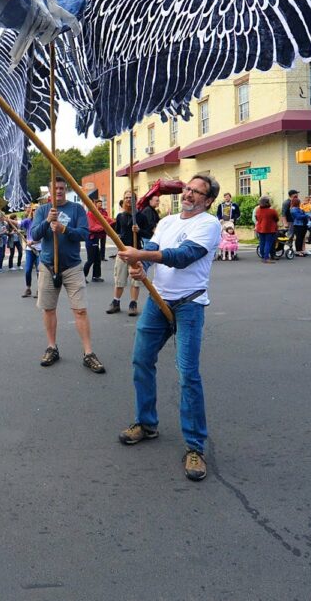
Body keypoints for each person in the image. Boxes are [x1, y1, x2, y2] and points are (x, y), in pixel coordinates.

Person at [115, 174, 221, 482]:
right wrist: (141, 267)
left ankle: (195, 447)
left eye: (197, 192)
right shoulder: (168, 221)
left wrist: (142, 256)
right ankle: (146, 423)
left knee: (188, 374)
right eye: (188, 188)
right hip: (157, 301)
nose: (188, 194)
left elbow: (183, 256)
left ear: (207, 200)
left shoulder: (208, 225)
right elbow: (153, 247)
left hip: (189, 305)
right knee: (141, 360)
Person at [32, 175, 105, 374]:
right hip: (48, 265)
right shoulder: (42, 210)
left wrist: (64, 229)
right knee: (48, 309)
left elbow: (83, 233)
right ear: (50, 191)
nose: (58, 191)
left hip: (72, 266)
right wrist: (47, 222)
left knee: (80, 310)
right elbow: (35, 234)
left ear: (66, 190)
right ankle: (51, 347)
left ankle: (88, 353)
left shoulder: (76, 209)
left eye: (62, 188)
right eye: (55, 188)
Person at [106, 195, 142, 315]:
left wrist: (139, 231)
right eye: (126, 197)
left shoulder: (140, 216)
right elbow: (117, 232)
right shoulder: (120, 216)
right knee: (119, 279)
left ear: (135, 200)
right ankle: (116, 302)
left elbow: (149, 234)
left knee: (135, 281)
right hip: (122, 252)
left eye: (131, 197)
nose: (128, 199)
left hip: (136, 252)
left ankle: (133, 304)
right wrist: (117, 237)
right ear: (123, 200)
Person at [84, 202, 111, 282]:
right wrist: (104, 227)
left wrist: (109, 224)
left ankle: (96, 276)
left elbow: (104, 219)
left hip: (95, 239)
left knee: (97, 259)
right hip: (90, 240)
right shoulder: (89, 215)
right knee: (91, 259)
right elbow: (92, 227)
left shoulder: (95, 214)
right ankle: (82, 277)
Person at [20, 206, 40, 298]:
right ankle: (28, 288)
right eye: (33, 210)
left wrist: (33, 242)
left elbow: (44, 237)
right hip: (29, 250)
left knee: (39, 270)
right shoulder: (28, 221)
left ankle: (39, 290)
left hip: (40, 249)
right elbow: (18, 224)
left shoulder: (42, 222)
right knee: (27, 270)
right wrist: (8, 220)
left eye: (37, 210)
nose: (35, 212)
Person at [255, 196, 279, 263]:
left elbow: (257, 219)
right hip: (270, 229)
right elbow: (276, 219)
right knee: (268, 243)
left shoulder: (258, 210)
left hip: (260, 228)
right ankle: (266, 258)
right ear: (268, 202)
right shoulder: (272, 211)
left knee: (262, 243)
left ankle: (263, 256)